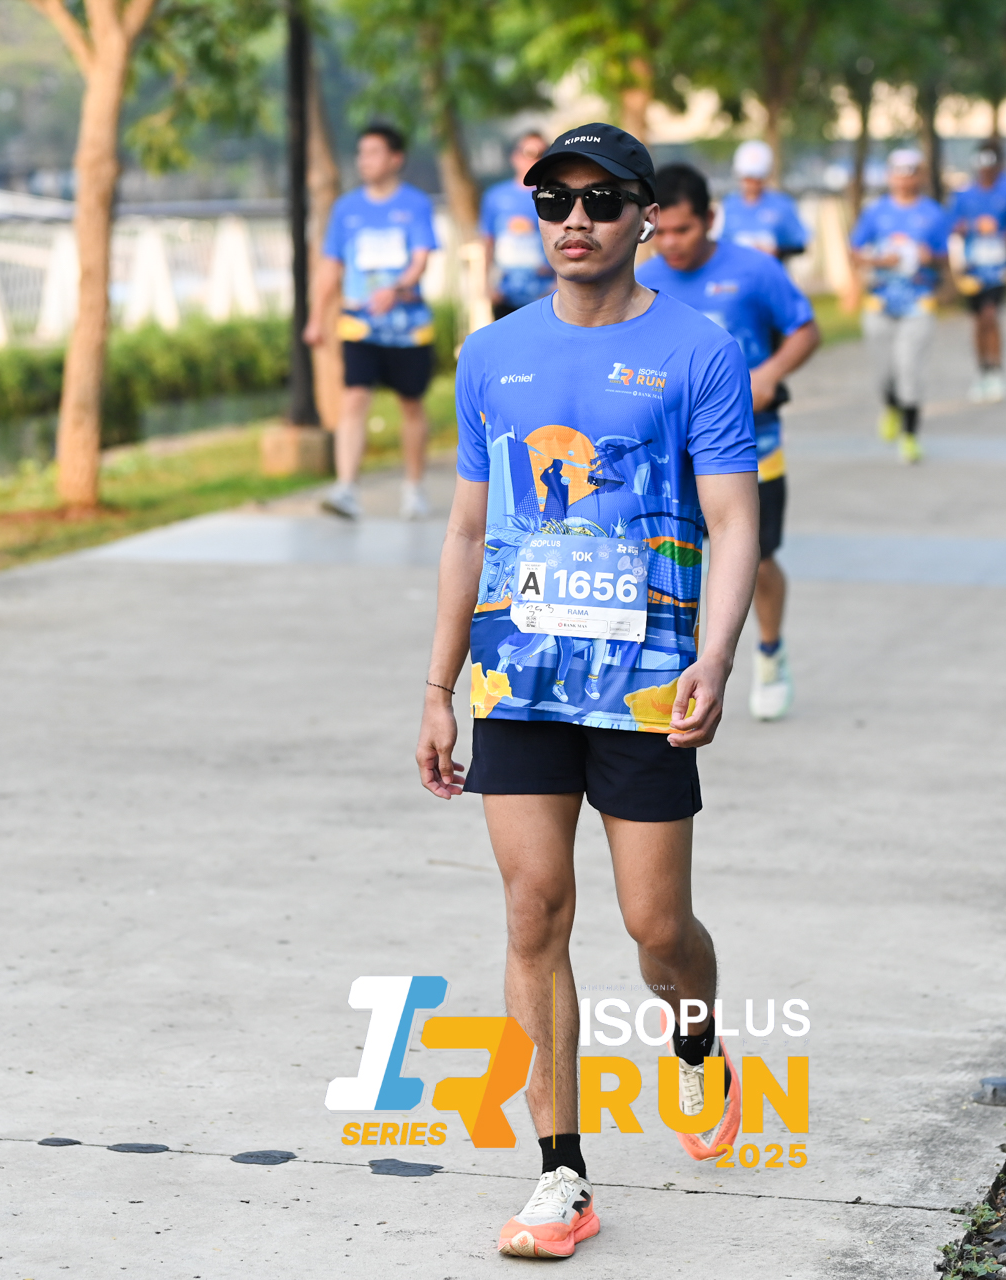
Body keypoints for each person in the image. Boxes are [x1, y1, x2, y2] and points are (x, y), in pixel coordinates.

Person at [414, 123, 761, 1261]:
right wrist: (438, 685)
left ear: (645, 216)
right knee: (534, 911)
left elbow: (732, 519)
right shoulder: (491, 355)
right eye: (555, 199)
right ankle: (560, 1174)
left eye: (603, 200)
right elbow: (468, 529)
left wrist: (715, 657)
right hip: (520, 681)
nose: (576, 219)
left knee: (657, 927)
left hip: (646, 685)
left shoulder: (699, 350)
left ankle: (697, 1039)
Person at [638, 164, 821, 721]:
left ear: (711, 218)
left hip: (752, 448)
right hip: (670, 459)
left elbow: (806, 329)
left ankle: (770, 652)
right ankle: (668, 669)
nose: (672, 243)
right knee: (666, 564)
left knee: (756, 558)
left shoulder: (756, 270)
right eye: (662, 232)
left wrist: (770, 374)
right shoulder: (642, 281)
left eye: (685, 230)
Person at [305, 122, 440, 521]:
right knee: (354, 397)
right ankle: (346, 488)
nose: (364, 160)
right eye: (361, 153)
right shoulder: (346, 209)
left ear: (395, 158)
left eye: (374, 152)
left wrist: (396, 289)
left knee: (411, 405)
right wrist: (316, 318)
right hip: (359, 325)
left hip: (408, 327)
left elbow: (421, 259)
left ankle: (413, 489)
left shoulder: (415, 204)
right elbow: (331, 266)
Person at [851, 148, 952, 463]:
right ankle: (891, 405)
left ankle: (910, 435)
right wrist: (878, 260)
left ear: (919, 176)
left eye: (910, 174)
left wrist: (928, 258)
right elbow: (855, 251)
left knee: (910, 369)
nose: (904, 180)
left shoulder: (933, 213)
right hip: (880, 301)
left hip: (918, 303)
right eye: (898, 173)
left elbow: (944, 257)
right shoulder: (875, 212)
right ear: (889, 176)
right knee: (884, 372)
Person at [949, 139, 1006, 402]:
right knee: (977, 321)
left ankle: (996, 370)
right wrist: (971, 227)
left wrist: (1001, 231)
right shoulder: (964, 195)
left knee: (991, 316)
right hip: (973, 267)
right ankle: (982, 370)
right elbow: (953, 226)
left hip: (997, 267)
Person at [481, 130, 557, 320]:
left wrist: (558, 284)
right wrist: (486, 284)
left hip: (546, 293)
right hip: (505, 293)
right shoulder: (495, 196)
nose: (535, 159)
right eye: (529, 152)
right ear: (515, 156)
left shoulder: (556, 197)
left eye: (541, 153)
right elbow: (488, 242)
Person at [719, 139, 810, 258]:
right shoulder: (728, 205)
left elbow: (800, 245)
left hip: (771, 267)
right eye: (748, 178)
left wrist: (777, 251)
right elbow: (718, 244)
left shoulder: (782, 205)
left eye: (757, 178)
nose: (752, 184)